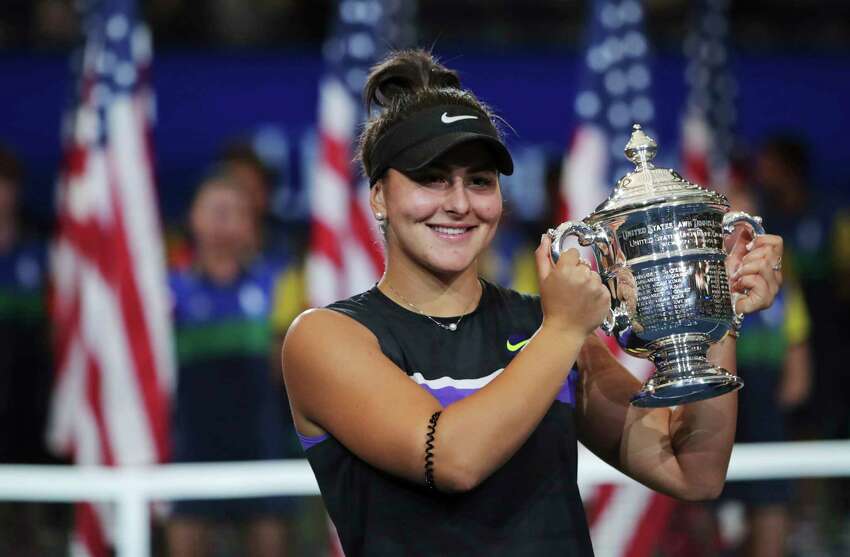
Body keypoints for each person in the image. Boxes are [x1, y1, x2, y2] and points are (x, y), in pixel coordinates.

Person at [282, 50, 785, 556]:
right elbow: (453, 459)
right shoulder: (327, 338)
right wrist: (563, 332)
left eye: (478, 181)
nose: (459, 203)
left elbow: (692, 470)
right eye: (431, 178)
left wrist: (716, 307)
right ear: (378, 198)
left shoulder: (543, 326)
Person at [167, 171, 301, 557]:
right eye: (217, 210)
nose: (226, 220)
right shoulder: (167, 290)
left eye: (237, 212)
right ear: (194, 217)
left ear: (251, 223)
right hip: (191, 445)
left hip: (260, 441)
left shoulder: (280, 282)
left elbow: (292, 370)